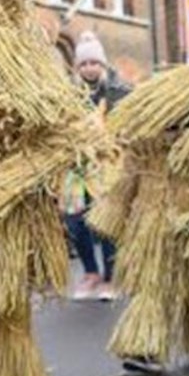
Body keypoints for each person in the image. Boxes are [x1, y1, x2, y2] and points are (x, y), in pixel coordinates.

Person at [66, 31, 128, 299]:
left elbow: (128, 125)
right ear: (77, 68)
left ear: (102, 65)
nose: (89, 68)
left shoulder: (117, 91)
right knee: (75, 222)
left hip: (107, 165)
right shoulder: (68, 95)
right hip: (77, 167)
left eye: (94, 63)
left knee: (105, 221)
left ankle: (110, 278)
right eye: (84, 64)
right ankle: (90, 273)